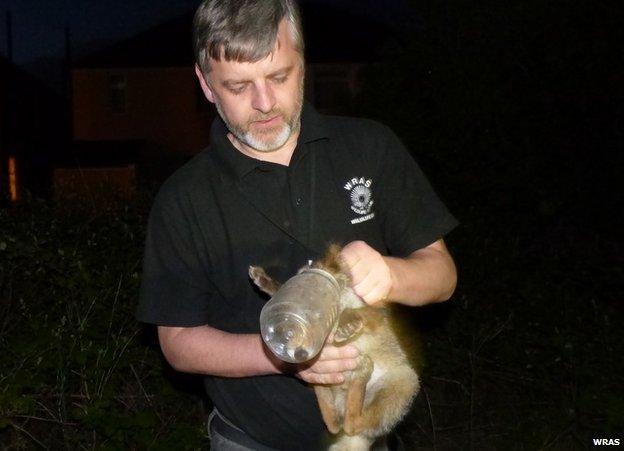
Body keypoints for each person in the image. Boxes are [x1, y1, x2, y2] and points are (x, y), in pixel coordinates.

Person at [136, 0, 458, 449]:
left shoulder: (370, 147)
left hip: (367, 436)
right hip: (248, 442)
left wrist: (391, 274)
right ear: (206, 84)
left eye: (279, 76)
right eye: (238, 85)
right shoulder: (184, 198)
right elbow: (177, 341)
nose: (265, 103)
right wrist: (281, 355)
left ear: (304, 62)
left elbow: (442, 276)